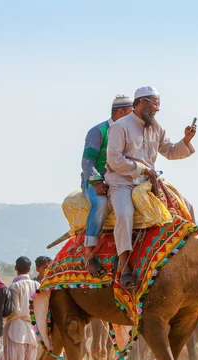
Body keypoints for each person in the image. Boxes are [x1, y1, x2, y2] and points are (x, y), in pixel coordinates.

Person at [105, 86, 197, 289]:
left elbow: (171, 151)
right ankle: (126, 268)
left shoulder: (156, 127)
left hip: (149, 182)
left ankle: (193, 256)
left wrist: (186, 140)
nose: (157, 109)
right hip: (123, 181)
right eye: (155, 104)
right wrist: (141, 169)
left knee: (187, 206)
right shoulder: (120, 127)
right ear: (143, 102)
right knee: (123, 213)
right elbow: (114, 160)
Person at [81, 95, 133, 276]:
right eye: (130, 113)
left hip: (121, 180)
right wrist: (96, 181)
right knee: (101, 203)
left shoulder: (129, 132)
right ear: (120, 112)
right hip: (98, 181)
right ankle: (88, 253)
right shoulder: (99, 131)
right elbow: (87, 161)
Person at [2, 256, 40, 360]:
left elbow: (15, 310)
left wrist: (4, 315)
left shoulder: (14, 287)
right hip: (32, 329)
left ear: (15, 268)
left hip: (16, 328)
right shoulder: (37, 284)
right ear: (30, 269)